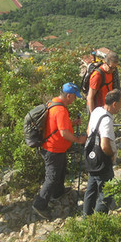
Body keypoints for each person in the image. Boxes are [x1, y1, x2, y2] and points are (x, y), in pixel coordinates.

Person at [32, 82, 87, 219]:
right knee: (52, 177)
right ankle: (39, 204)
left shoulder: (53, 104)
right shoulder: (60, 110)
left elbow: (57, 125)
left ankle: (58, 192)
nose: (75, 100)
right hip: (53, 149)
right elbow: (63, 133)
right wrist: (77, 140)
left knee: (61, 170)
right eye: (74, 97)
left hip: (55, 148)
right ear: (69, 95)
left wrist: (72, 123)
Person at [83, 89, 121, 216]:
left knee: (91, 190)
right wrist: (111, 155)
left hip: (92, 158)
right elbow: (105, 145)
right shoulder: (106, 120)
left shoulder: (96, 111)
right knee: (106, 193)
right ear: (114, 104)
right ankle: (99, 222)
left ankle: (86, 218)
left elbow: (88, 131)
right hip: (103, 160)